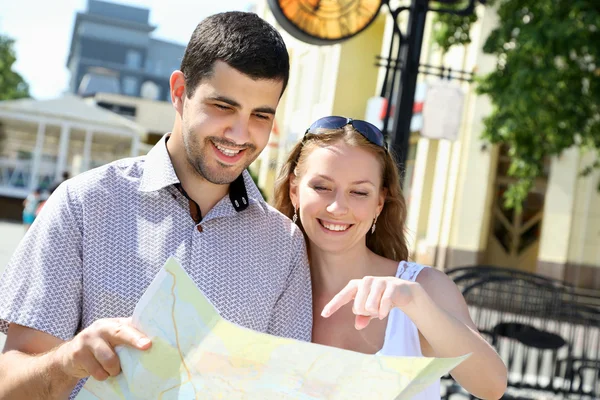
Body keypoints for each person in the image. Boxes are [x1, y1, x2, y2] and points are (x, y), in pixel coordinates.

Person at [0, 12, 312, 399]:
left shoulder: (285, 248)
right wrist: (69, 361)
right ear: (179, 91)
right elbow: (9, 386)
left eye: (260, 115)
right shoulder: (82, 206)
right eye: (223, 107)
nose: (240, 133)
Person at [274, 116, 508, 399]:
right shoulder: (268, 285)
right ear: (294, 191)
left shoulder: (424, 286)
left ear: (379, 204)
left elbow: (492, 386)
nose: (338, 207)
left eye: (359, 192)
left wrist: (415, 303)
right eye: (322, 187)